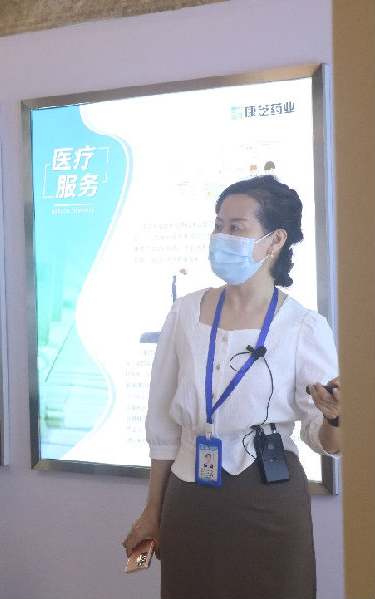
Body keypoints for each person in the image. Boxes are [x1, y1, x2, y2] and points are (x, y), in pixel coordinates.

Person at [122, 175, 341, 598]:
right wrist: (152, 510)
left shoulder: (304, 326)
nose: (221, 236)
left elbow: (326, 439)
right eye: (218, 225)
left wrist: (337, 418)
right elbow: (163, 426)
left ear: (275, 240)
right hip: (189, 495)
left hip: (269, 497)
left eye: (236, 227)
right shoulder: (185, 312)